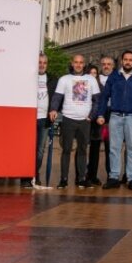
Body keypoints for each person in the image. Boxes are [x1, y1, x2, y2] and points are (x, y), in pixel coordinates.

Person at [95, 50, 132, 191]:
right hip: (115, 116)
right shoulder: (114, 76)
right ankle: (113, 177)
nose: (128, 62)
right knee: (114, 148)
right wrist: (100, 114)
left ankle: (131, 178)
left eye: (131, 60)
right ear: (122, 61)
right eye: (125, 59)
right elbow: (104, 97)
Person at [51, 54, 100, 188]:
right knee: (66, 150)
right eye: (76, 62)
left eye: (81, 62)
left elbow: (97, 100)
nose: (78, 65)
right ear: (72, 63)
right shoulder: (64, 79)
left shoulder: (91, 79)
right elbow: (57, 97)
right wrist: (53, 109)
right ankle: (64, 179)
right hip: (68, 119)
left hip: (85, 121)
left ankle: (81, 178)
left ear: (84, 64)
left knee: (83, 150)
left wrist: (91, 115)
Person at [26, 53, 55, 188]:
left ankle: (34, 175)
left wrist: (54, 110)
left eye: (44, 63)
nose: (42, 65)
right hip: (30, 118)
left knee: (40, 150)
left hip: (44, 119)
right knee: (28, 149)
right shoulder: (29, 77)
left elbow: (56, 98)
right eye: (40, 62)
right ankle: (25, 176)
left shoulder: (52, 79)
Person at [85, 58, 112, 186]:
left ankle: (109, 175)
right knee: (89, 148)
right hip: (92, 118)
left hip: (107, 118)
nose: (106, 66)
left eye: (109, 64)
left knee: (107, 147)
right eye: (104, 64)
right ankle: (88, 175)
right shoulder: (92, 81)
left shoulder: (113, 80)